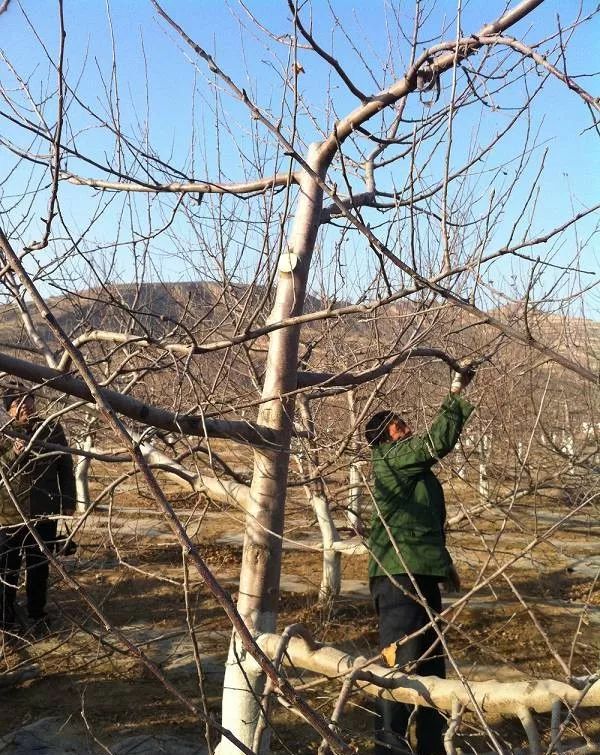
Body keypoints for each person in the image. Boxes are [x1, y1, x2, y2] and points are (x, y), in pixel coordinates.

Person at [365, 364, 476, 755]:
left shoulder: (407, 467)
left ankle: (431, 746)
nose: (407, 429)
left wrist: (443, 566)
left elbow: (425, 524)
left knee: (430, 667)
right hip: (398, 578)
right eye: (399, 427)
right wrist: (455, 393)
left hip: (417, 573)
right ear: (383, 437)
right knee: (399, 668)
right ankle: (389, 746)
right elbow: (436, 442)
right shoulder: (390, 458)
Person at [0, 384, 76, 636]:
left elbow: (65, 465)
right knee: (7, 568)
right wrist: (12, 454)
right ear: (8, 410)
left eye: (29, 399)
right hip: (8, 514)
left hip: (44, 511)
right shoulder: (3, 434)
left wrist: (68, 501)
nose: (26, 406)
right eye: (18, 402)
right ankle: (5, 618)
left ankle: (37, 613)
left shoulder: (51, 428)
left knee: (39, 566)